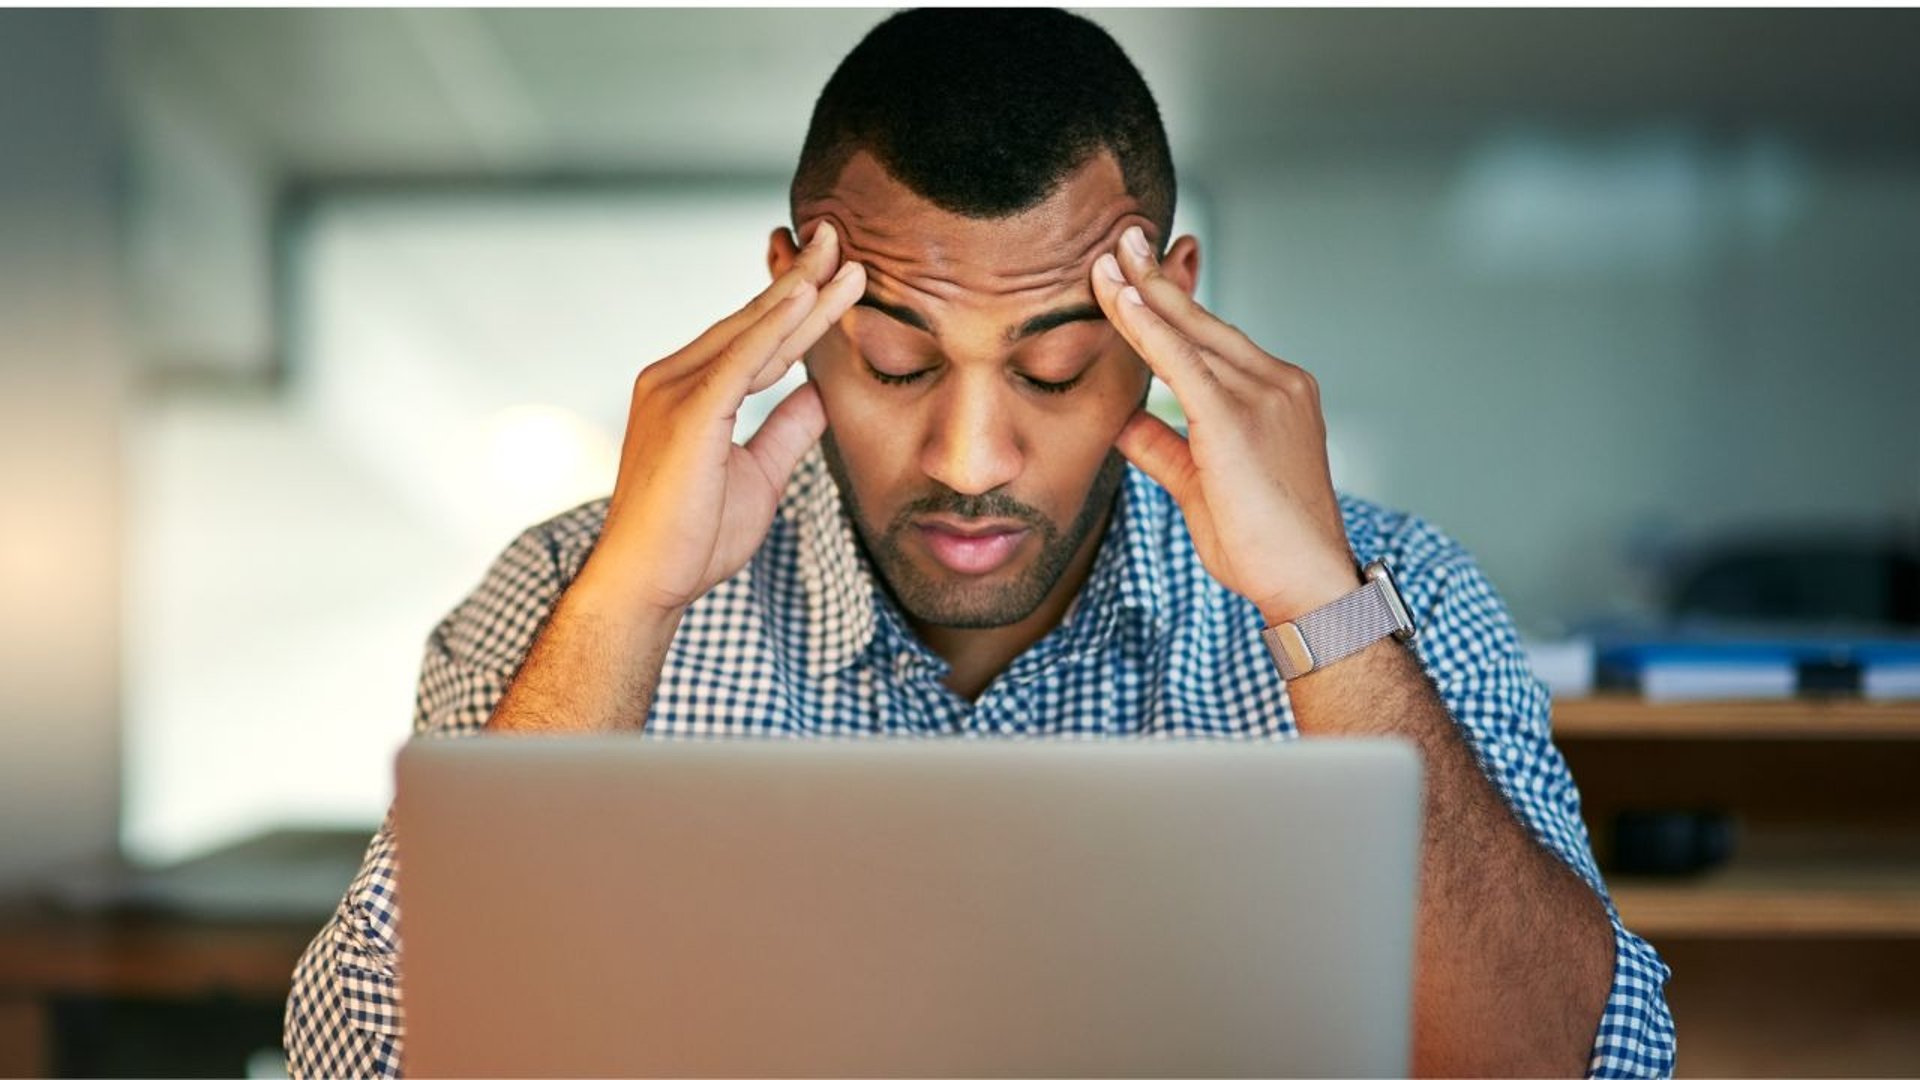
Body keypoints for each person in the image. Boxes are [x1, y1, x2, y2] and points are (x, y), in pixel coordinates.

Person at [284, 9, 1674, 1078]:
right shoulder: (564, 591)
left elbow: (1573, 1066)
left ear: (1168, 312)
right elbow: (374, 1065)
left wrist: (1319, 605)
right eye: (895, 362)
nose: (968, 460)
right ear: (792, 300)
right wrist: (627, 607)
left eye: (1054, 371)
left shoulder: (1392, 591)